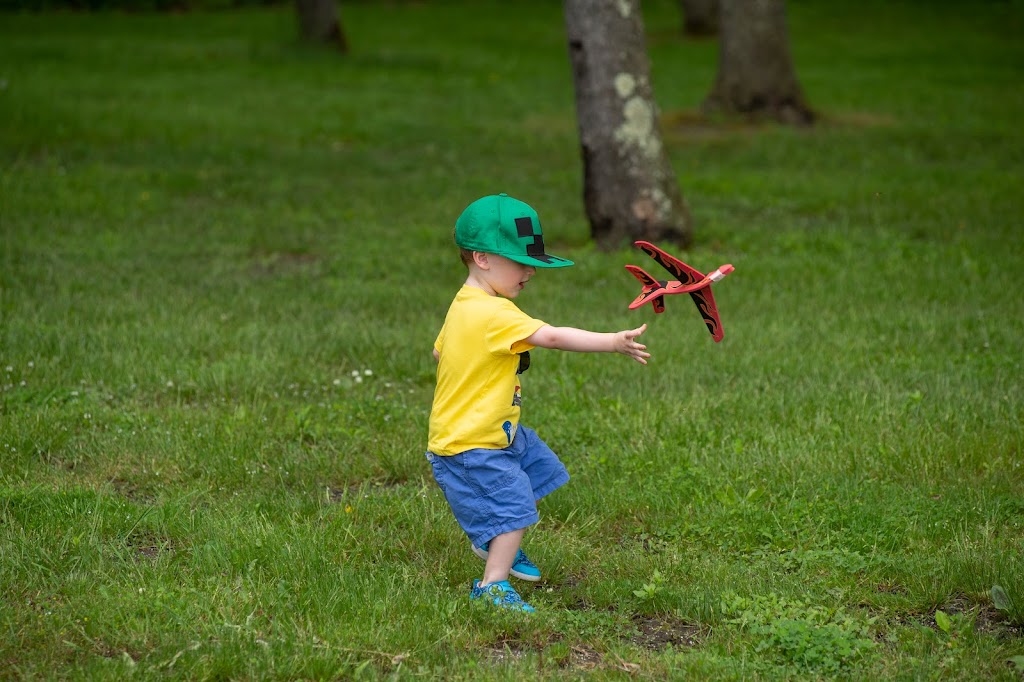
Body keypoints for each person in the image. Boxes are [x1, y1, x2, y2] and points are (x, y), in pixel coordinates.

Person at [426, 193, 650, 613]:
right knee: (515, 505)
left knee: (540, 469)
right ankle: (492, 582)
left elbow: (441, 353)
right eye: (520, 261)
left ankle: (498, 541)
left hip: (494, 432)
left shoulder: (465, 305)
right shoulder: (495, 314)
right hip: (472, 444)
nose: (529, 271)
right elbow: (550, 336)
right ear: (483, 258)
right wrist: (611, 342)